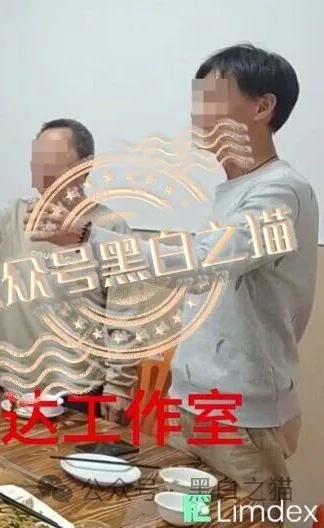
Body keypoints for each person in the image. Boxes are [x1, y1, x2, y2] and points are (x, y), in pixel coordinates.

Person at [33, 44, 318, 490]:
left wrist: (89, 235)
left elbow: (204, 263)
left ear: (262, 107)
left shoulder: (281, 191)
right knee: (190, 512)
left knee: (250, 516)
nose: (198, 112)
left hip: (240, 417)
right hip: (192, 405)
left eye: (214, 97)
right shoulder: (236, 191)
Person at [0, 119, 138, 423]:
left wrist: (119, 387)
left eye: (51, 155)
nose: (38, 164)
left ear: (84, 166)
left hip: (78, 395)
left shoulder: (110, 228)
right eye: (36, 155)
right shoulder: (14, 215)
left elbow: (126, 317)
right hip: (12, 389)